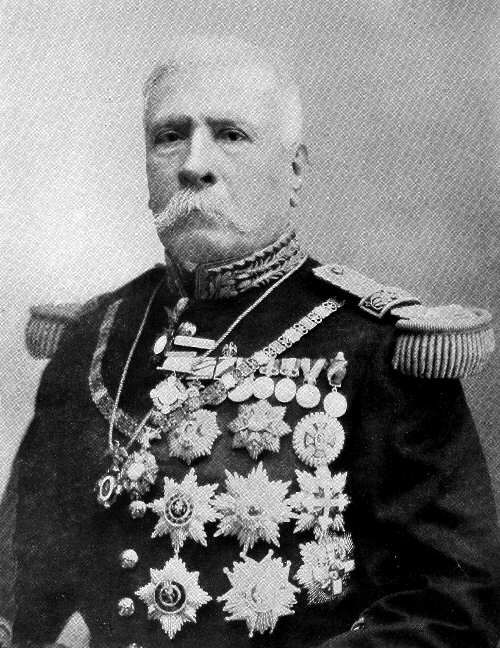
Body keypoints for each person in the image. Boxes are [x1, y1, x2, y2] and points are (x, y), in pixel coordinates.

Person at [2, 36, 499, 647]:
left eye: (230, 135)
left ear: (294, 171)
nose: (194, 164)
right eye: (169, 136)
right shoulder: (95, 340)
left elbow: (451, 608)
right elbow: (17, 588)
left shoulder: (376, 346)